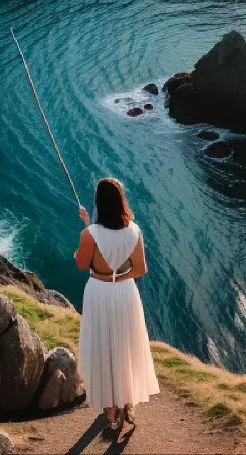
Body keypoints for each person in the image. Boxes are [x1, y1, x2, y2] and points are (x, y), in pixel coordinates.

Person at [75, 177, 159, 439]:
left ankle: (111, 415)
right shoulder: (134, 231)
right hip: (125, 294)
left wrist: (86, 228)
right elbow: (140, 269)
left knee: (104, 349)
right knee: (125, 347)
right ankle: (129, 405)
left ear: (99, 202)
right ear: (121, 201)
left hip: (99, 294)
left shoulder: (89, 234)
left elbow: (82, 262)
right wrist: (117, 278)